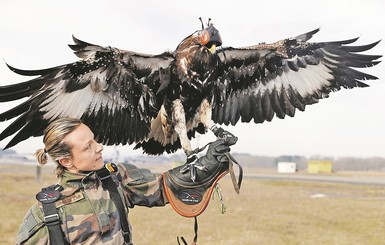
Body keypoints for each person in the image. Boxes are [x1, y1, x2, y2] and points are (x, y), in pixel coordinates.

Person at [16, 118, 235, 244]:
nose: (99, 147)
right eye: (88, 146)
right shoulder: (47, 213)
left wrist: (204, 166)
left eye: (95, 140)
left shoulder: (116, 179)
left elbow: (163, 186)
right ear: (67, 161)